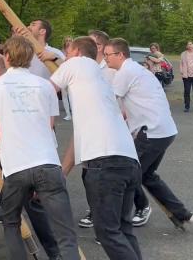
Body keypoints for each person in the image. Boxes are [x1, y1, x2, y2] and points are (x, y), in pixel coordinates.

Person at [51, 36, 141, 260]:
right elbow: (79, 136)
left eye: (67, 52)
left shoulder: (76, 64)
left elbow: (42, 91)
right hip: (127, 159)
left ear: (77, 51)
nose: (66, 57)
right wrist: (63, 172)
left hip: (105, 164)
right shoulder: (99, 78)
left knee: (108, 232)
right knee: (122, 230)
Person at [0, 46, 71, 260]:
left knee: (11, 223)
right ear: (31, 58)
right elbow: (50, 124)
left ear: (7, 57)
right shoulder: (46, 86)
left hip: (15, 166)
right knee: (65, 233)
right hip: (47, 162)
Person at [105, 38, 193, 229]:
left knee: (126, 174)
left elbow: (109, 102)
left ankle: (120, 224)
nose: (105, 59)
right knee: (146, 175)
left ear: (120, 55)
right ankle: (182, 213)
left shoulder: (126, 71)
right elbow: (125, 107)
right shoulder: (137, 70)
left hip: (152, 132)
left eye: (108, 55)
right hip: (164, 130)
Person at [75, 30, 114, 229]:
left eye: (90, 41)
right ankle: (99, 212)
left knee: (101, 175)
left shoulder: (108, 70)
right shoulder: (89, 68)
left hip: (105, 132)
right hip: (90, 129)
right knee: (90, 174)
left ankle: (102, 217)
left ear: (98, 46)